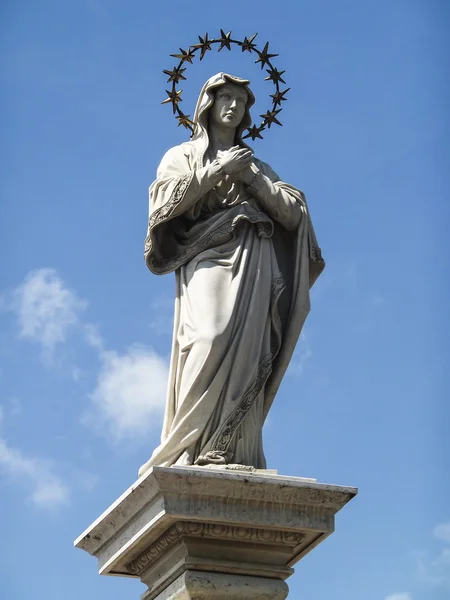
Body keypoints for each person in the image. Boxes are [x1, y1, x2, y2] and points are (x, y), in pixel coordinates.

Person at [139, 73, 324, 477]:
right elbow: (162, 206)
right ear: (207, 103)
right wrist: (214, 172)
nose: (233, 106)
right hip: (204, 253)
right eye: (226, 97)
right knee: (210, 335)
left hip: (254, 258)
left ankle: (226, 444)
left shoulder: (256, 165)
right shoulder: (182, 156)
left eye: (241, 100)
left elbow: (293, 214)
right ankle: (186, 443)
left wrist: (251, 177)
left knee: (250, 348)